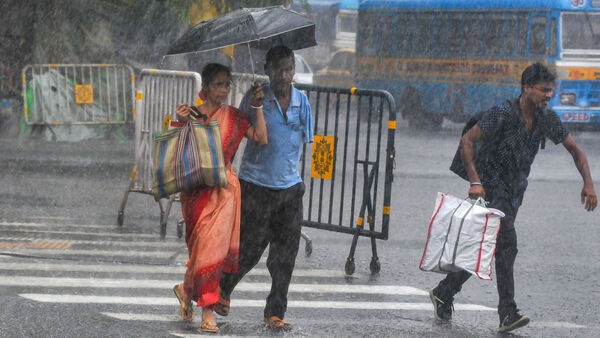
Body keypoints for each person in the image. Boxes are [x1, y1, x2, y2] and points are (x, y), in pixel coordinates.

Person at [429, 62, 597, 333]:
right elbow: (467, 141)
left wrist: (588, 183)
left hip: (514, 193)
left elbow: (575, 150)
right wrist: (475, 181)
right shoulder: (503, 112)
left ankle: (444, 292)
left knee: (486, 248)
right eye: (543, 90)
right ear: (526, 88)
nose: (547, 96)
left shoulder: (546, 119)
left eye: (550, 92)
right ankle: (507, 312)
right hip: (490, 190)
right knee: (507, 245)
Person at [217, 45, 314, 331]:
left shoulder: (302, 102)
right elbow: (239, 134)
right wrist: (256, 104)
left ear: (293, 71)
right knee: (249, 248)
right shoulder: (255, 99)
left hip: (290, 189)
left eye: (288, 69)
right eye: (277, 69)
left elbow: (303, 142)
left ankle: (275, 310)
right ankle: (222, 289)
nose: (283, 75)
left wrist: (297, 181)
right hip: (256, 185)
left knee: (285, 255)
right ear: (267, 71)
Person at [172, 63, 267, 333]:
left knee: (212, 252)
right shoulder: (191, 114)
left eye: (227, 84)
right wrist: (180, 123)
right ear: (205, 88)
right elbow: (177, 153)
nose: (224, 90)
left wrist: (257, 107)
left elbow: (261, 137)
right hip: (195, 194)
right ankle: (185, 288)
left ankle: (208, 312)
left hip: (224, 192)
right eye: (218, 84)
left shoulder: (235, 118)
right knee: (201, 251)